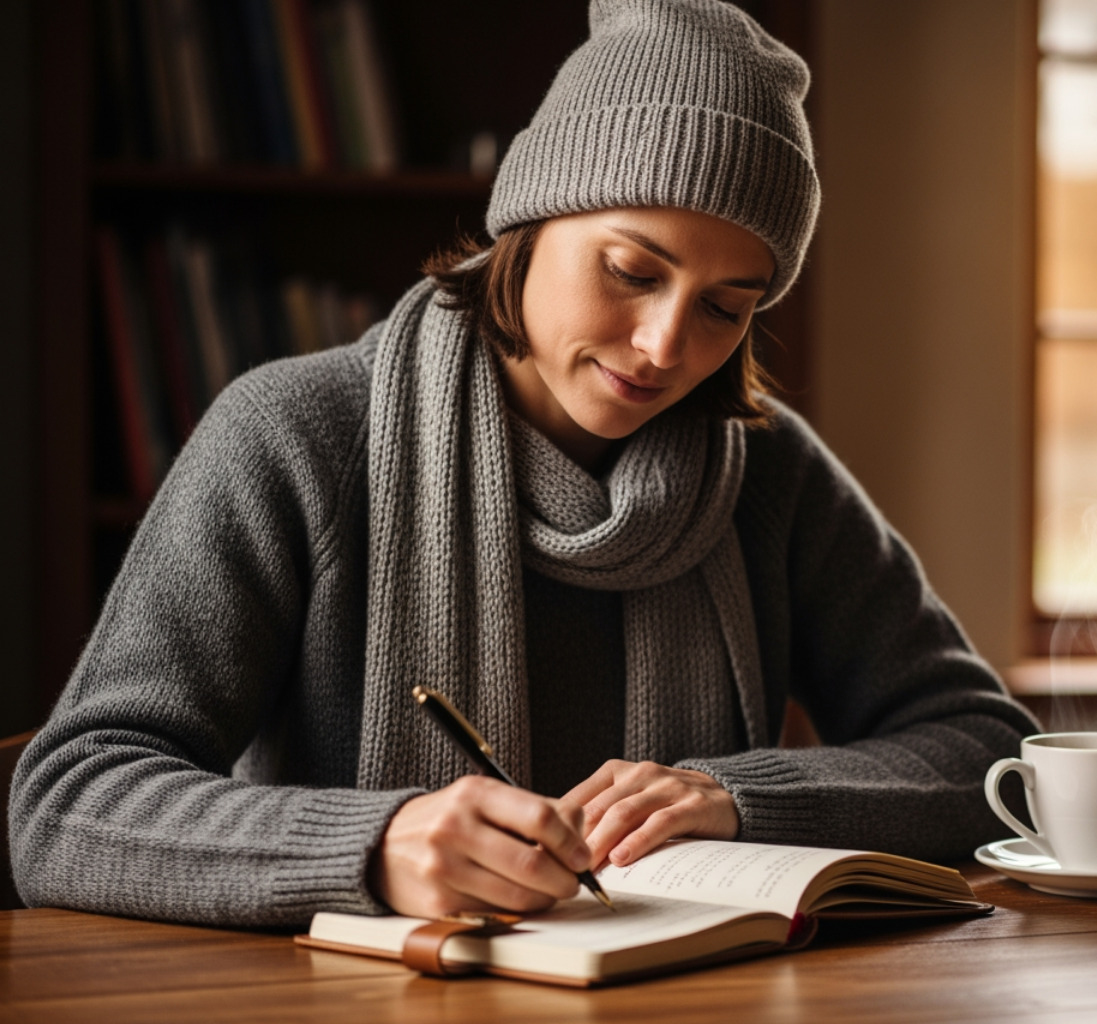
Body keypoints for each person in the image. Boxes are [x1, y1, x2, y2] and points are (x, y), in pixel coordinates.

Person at [10, 0, 1036, 928]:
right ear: (530, 222)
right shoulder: (294, 435)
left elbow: (989, 749)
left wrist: (745, 798)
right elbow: (68, 801)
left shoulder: (769, 475)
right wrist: (375, 845)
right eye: (632, 271)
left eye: (730, 307)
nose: (665, 346)